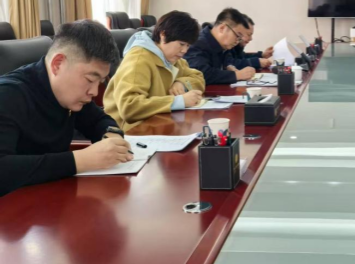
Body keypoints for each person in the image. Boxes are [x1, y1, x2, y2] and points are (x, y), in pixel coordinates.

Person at [0, 20, 133, 197]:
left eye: (100, 82)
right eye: (90, 79)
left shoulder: (70, 95)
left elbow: (98, 120)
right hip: (13, 207)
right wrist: (79, 160)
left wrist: (111, 136)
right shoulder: (7, 95)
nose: (94, 92)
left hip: (52, 196)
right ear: (58, 64)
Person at [104, 11, 206, 132]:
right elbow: (129, 106)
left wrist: (182, 83)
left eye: (188, 46)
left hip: (159, 124)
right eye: (181, 44)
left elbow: (198, 77)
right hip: (131, 131)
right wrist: (179, 101)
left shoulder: (172, 59)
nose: (184, 50)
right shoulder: (138, 59)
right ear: (163, 35)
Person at [185, 8, 255, 85]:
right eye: (238, 36)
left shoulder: (223, 45)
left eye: (240, 39)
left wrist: (227, 68)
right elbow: (200, 74)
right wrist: (236, 75)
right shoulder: (198, 43)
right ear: (222, 28)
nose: (237, 41)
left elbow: (223, 64)